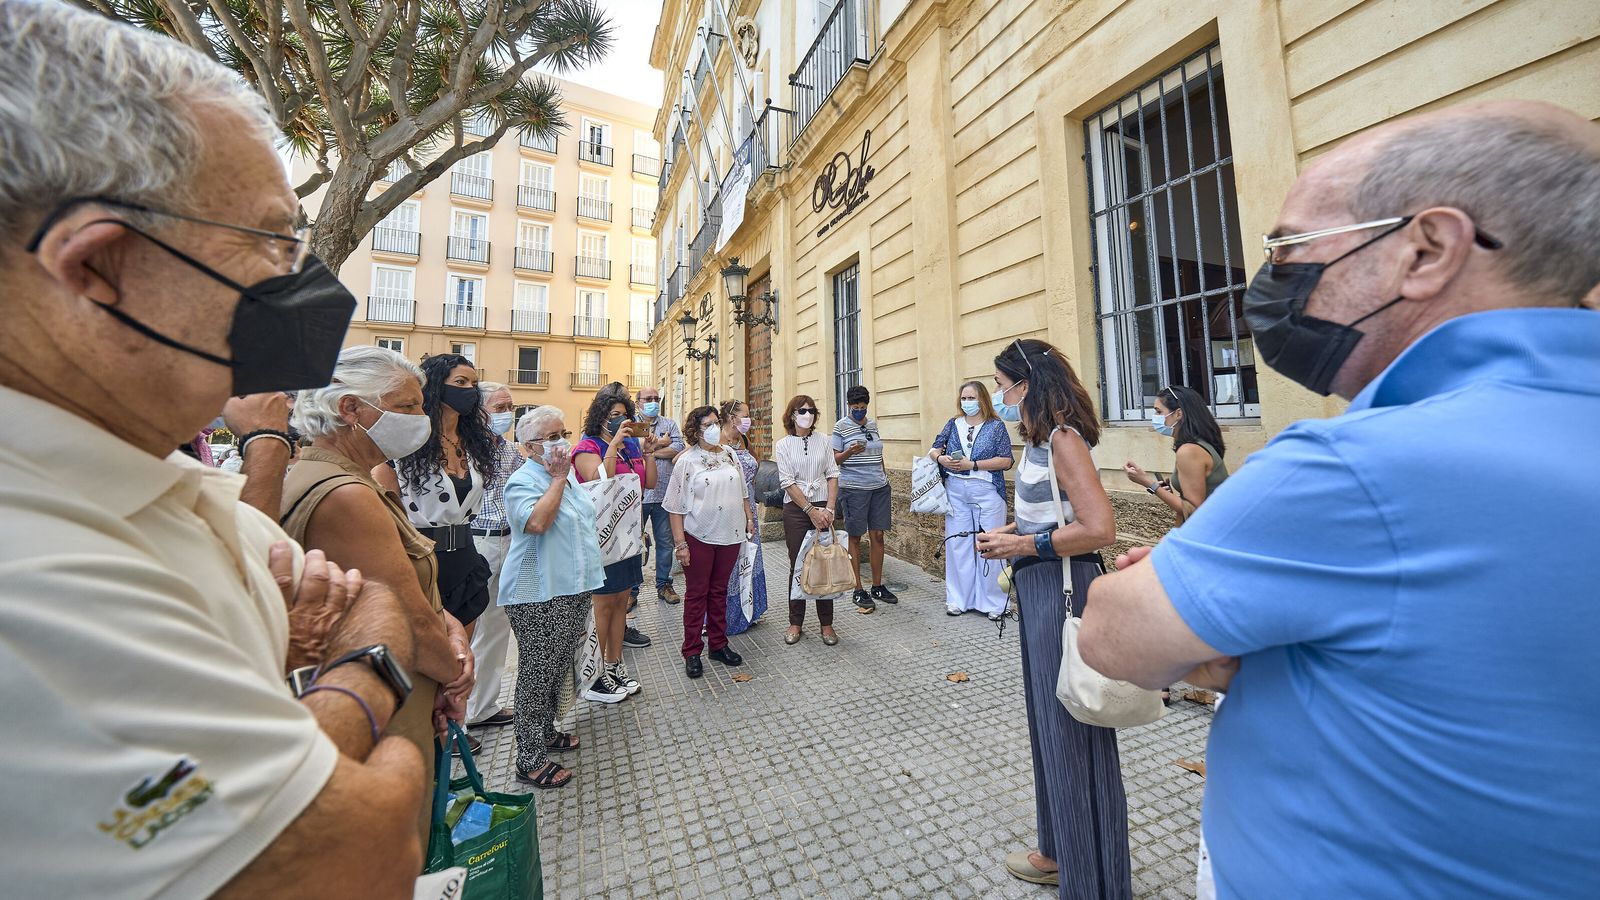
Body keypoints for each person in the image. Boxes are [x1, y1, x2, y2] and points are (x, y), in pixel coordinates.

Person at [1080, 101, 1600, 896]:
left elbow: (1114, 637)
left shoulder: (1357, 467)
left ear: (1426, 250)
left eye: (1290, 249)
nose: (1270, 283)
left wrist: (1219, 631)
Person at [0, 2, 425, 894]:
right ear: (99, 266)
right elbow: (365, 851)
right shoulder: (33, 581)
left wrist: (303, 682)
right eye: (272, 242)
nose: (299, 283)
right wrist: (365, 673)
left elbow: (369, 601)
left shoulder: (146, 473)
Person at [284, 347, 475, 841]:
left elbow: (411, 589)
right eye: (406, 406)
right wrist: (455, 674)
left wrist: (450, 623)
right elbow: (406, 617)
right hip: (390, 702)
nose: (419, 418)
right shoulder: (346, 494)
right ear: (351, 409)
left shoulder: (341, 478)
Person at [974, 339, 1127, 899]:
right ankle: (1057, 851)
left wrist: (1023, 546)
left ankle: (1091, 880)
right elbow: (1050, 517)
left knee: (1071, 731)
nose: (999, 396)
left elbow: (1099, 528)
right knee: (1049, 725)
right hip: (1040, 589)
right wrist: (1013, 534)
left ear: (1026, 385)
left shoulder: (1064, 439)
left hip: (1064, 591)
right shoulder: (1040, 442)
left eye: (1002, 385)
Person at [500, 406, 602, 789]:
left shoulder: (566, 476)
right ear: (529, 446)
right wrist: (559, 479)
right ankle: (528, 760)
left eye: (564, 433)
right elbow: (537, 522)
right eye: (552, 437)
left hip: (572, 586)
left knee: (556, 665)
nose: (561, 442)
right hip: (537, 592)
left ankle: (545, 732)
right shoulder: (523, 481)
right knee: (536, 672)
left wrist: (561, 478)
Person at [386, 354, 495, 634]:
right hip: (421, 561)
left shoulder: (476, 444)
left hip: (465, 560)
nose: (470, 390)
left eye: (474, 384)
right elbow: (387, 516)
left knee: (462, 654)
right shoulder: (404, 445)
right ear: (436, 385)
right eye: (461, 382)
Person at [571, 386, 659, 702]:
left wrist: (648, 452)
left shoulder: (631, 447)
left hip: (628, 534)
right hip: (599, 536)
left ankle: (614, 664)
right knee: (603, 604)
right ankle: (593, 674)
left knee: (622, 600)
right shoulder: (587, 447)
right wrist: (613, 445)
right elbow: (601, 482)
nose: (621, 420)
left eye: (624, 415)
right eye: (614, 415)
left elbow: (650, 483)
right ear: (600, 418)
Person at [663, 406, 754, 677]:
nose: (714, 428)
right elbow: (675, 507)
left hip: (730, 534)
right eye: (707, 425)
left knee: (719, 592)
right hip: (699, 536)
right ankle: (692, 650)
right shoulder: (687, 461)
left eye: (716, 422)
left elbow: (743, 491)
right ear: (696, 430)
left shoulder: (729, 454)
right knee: (696, 594)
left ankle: (718, 644)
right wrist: (680, 544)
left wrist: (749, 519)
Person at [463, 381, 524, 731]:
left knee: (497, 627)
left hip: (508, 540)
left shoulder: (511, 450)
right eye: (500, 408)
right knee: (470, 629)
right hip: (478, 541)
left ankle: (484, 706)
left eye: (510, 408)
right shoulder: (465, 448)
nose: (507, 414)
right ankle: (460, 714)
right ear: (479, 412)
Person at [928, 381, 1014, 619]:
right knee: (958, 544)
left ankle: (995, 603)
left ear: (982, 399)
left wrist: (973, 464)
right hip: (956, 490)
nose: (967, 402)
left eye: (971, 398)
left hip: (987, 490)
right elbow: (934, 449)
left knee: (990, 544)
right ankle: (958, 599)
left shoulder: (996, 426)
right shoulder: (953, 423)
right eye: (964, 398)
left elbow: (1006, 460)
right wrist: (941, 459)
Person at [775, 395, 841, 645]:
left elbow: (832, 474)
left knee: (824, 562)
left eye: (812, 410)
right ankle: (795, 622)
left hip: (824, 506)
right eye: (802, 411)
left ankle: (827, 624)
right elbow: (787, 482)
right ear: (792, 415)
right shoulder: (783, 445)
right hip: (796, 509)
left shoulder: (823, 440)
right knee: (798, 564)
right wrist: (810, 511)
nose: (808, 414)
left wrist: (830, 508)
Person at [1121, 384, 1228, 526]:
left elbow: (1193, 511)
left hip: (1211, 530)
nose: (1155, 417)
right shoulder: (1197, 444)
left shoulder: (1189, 451)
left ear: (1178, 414)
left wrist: (1147, 482)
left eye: (1159, 412)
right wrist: (1167, 493)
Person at [832, 384, 897, 611]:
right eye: (855, 407)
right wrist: (849, 452)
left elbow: (879, 453)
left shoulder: (872, 424)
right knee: (855, 537)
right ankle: (857, 588)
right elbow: (834, 460)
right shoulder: (841, 427)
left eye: (863, 407)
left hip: (879, 487)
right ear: (849, 405)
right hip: (854, 488)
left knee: (878, 535)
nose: (859, 410)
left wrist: (885, 477)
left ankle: (877, 586)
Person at [720, 398, 769, 634]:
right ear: (732, 418)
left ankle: (750, 609)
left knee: (749, 556)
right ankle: (727, 616)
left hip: (748, 505)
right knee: (730, 562)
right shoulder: (717, 441)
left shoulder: (744, 439)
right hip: (728, 506)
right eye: (745, 415)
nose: (749, 419)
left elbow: (753, 462)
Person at [634, 384, 686, 605]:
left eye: (656, 398)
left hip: (664, 494)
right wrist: (663, 442)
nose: (653, 402)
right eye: (648, 399)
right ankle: (631, 591)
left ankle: (664, 584)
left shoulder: (669, 424)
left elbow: (679, 447)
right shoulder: (632, 425)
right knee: (634, 543)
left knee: (665, 542)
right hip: (638, 496)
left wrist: (651, 451)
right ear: (637, 402)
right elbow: (631, 449)